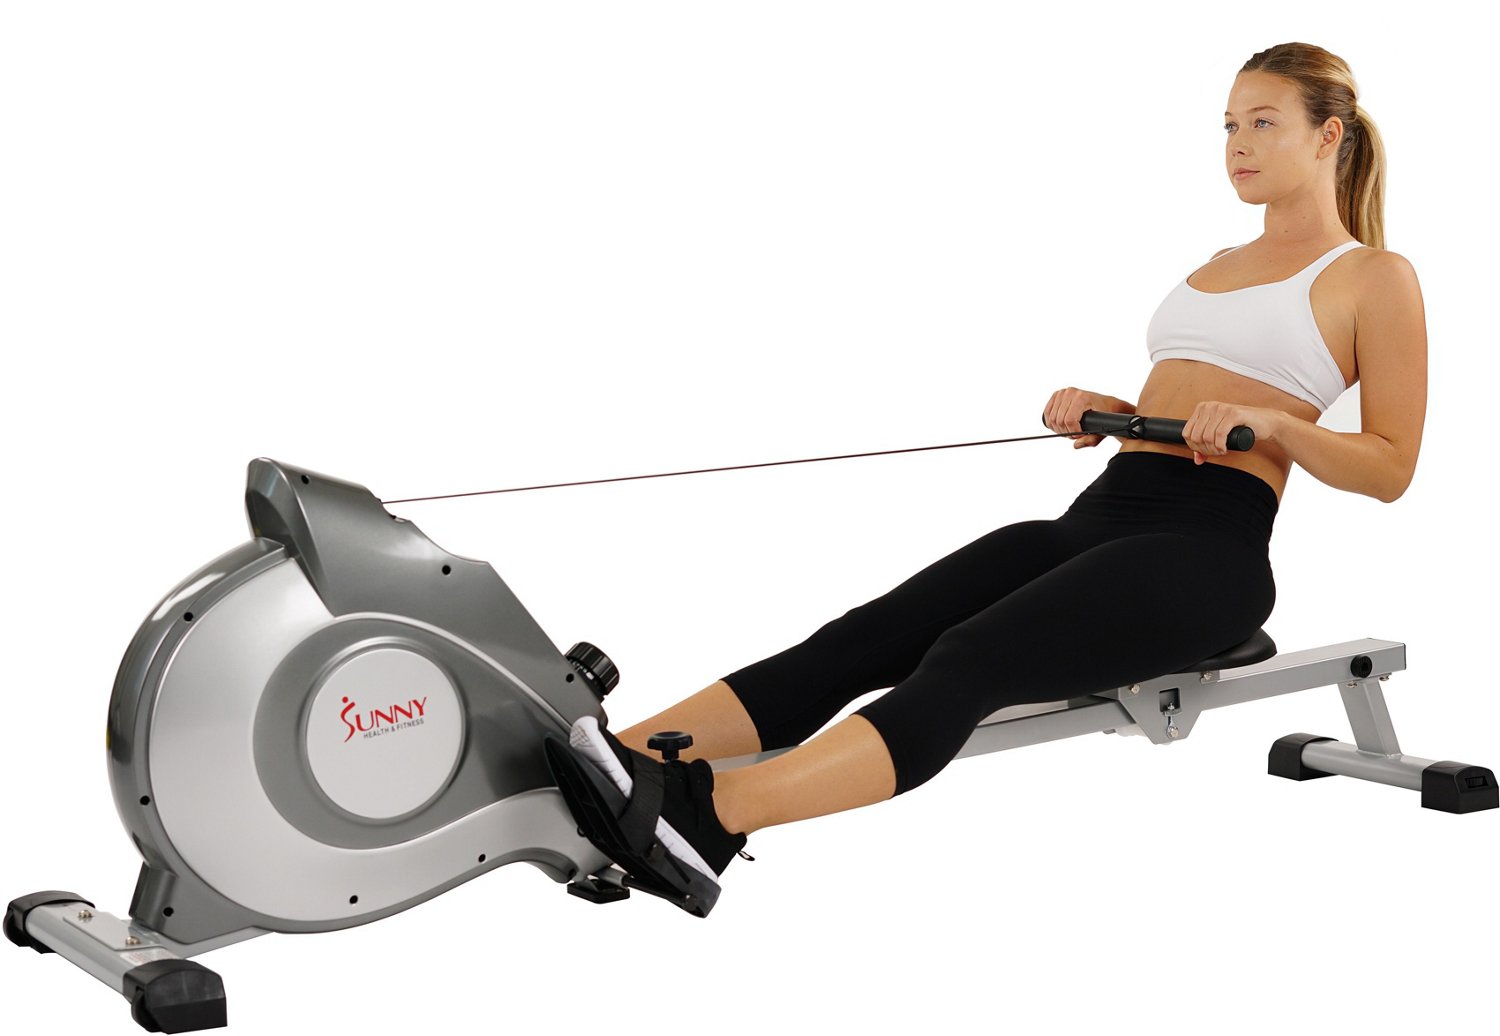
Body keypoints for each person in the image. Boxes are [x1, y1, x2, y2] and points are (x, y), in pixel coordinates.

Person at [542, 40, 1428, 915]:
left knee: (970, 662)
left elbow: (1390, 465)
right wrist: (1111, 408)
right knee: (861, 639)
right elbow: (1193, 393)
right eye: (1228, 125)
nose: (1237, 143)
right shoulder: (1214, 267)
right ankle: (610, 762)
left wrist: (1278, 426)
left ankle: (708, 817)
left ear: (1329, 135)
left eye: (1263, 123)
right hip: (1098, 518)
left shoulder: (1373, 277)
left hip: (1205, 550)